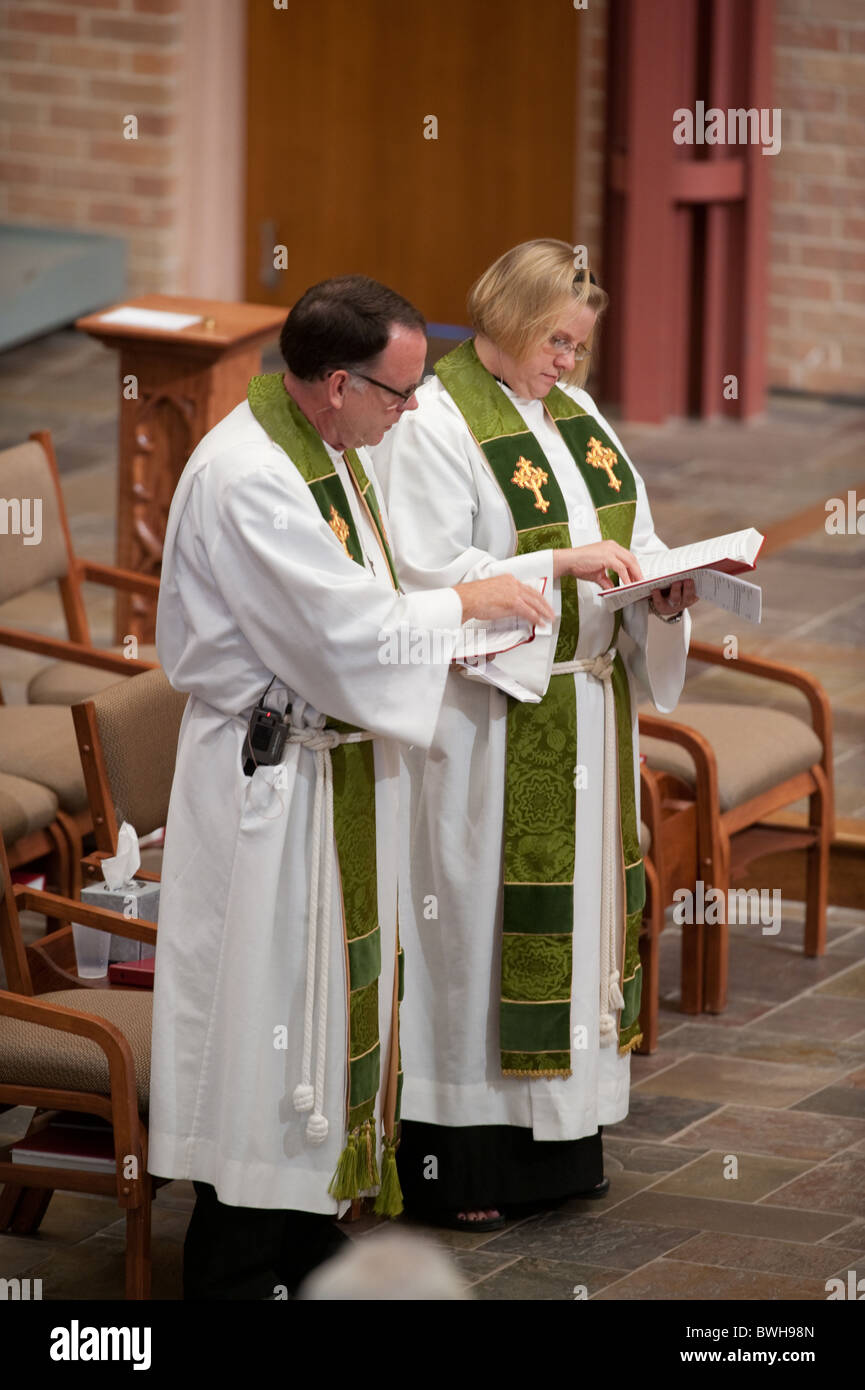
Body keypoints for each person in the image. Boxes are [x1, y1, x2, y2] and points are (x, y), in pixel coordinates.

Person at [147, 274, 555, 1298]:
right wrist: (463, 603)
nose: (410, 412)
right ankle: (236, 1251)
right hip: (268, 793)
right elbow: (344, 631)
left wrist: (458, 617)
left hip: (330, 776)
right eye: (397, 393)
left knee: (324, 1010)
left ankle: (297, 1222)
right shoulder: (251, 475)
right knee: (261, 1012)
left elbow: (370, 601)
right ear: (335, 384)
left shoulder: (327, 448)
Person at [372, 239, 697, 1229]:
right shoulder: (431, 419)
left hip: (584, 706)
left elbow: (630, 536)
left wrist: (663, 584)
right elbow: (427, 573)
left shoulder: (575, 415)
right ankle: (460, 1161)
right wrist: (563, 564)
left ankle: (557, 1147)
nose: (568, 362)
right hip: (490, 718)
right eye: (555, 339)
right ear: (506, 321)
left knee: (578, 925)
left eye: (579, 346)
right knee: (474, 929)